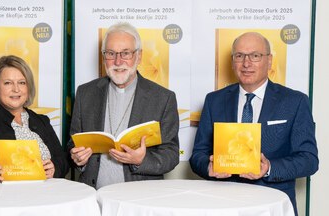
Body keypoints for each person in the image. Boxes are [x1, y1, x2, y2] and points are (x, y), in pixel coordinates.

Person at [189, 32, 319, 214]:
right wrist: (208, 167)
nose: (246, 63)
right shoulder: (214, 101)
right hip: (223, 205)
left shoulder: (295, 101)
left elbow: (309, 160)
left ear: (269, 60)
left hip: (271, 205)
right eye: (239, 56)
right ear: (233, 61)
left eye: (255, 56)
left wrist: (269, 168)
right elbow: (197, 156)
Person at [68, 22, 180, 189]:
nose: (118, 61)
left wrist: (141, 160)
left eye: (125, 53)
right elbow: (73, 143)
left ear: (139, 56)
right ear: (103, 56)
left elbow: (171, 154)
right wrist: (78, 159)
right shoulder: (85, 93)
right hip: (93, 196)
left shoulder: (163, 98)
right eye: (111, 53)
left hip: (139, 199)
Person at [0, 55, 69, 181]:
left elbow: (63, 160)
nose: (16, 89)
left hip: (46, 196)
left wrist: (55, 167)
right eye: (8, 83)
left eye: (22, 83)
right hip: (1, 198)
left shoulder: (42, 121)